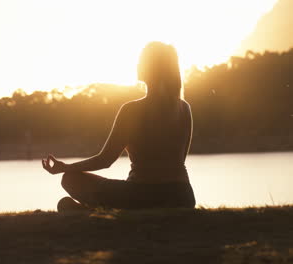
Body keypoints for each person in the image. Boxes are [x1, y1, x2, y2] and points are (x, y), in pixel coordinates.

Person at [41, 42, 196, 212]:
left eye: (141, 61)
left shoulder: (131, 110)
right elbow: (179, 160)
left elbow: (105, 160)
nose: (137, 65)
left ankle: (94, 213)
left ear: (152, 68)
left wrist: (66, 168)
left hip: (140, 196)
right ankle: (95, 212)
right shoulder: (184, 108)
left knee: (70, 179)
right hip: (182, 196)